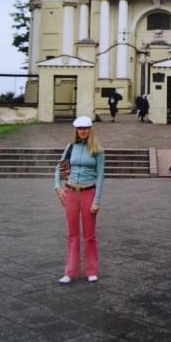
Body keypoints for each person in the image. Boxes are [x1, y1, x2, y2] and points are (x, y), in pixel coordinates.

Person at [55, 116, 104, 283]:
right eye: (79, 128)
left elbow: (101, 177)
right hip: (71, 193)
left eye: (86, 128)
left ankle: (91, 270)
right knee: (72, 234)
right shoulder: (70, 147)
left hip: (88, 193)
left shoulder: (97, 150)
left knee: (89, 235)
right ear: (76, 130)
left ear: (90, 129)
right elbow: (60, 167)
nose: (82, 131)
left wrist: (97, 200)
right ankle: (70, 271)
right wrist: (58, 186)